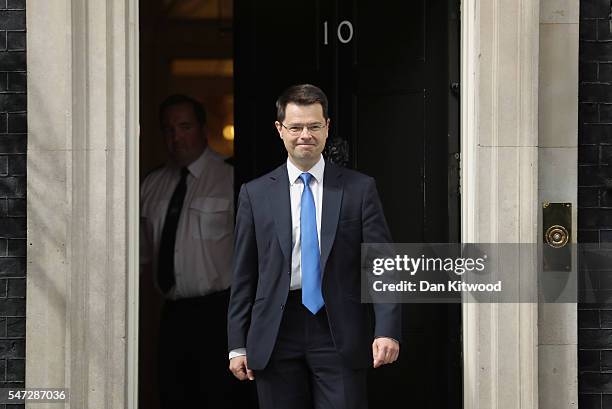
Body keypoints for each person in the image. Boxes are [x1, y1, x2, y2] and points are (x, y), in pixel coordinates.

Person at [227, 84, 401, 409]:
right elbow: (243, 274)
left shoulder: (359, 189)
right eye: (295, 127)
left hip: (338, 327)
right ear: (280, 130)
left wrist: (387, 329)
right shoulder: (255, 194)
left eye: (314, 126)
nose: (305, 134)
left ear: (327, 127)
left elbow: (382, 264)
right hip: (276, 329)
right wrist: (237, 343)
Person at [140, 94, 235, 408]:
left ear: (203, 129)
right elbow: (138, 256)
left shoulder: (230, 178)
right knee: (172, 395)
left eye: (185, 127)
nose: (176, 137)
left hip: (218, 315)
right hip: (172, 315)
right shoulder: (150, 185)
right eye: (168, 129)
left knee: (217, 397)